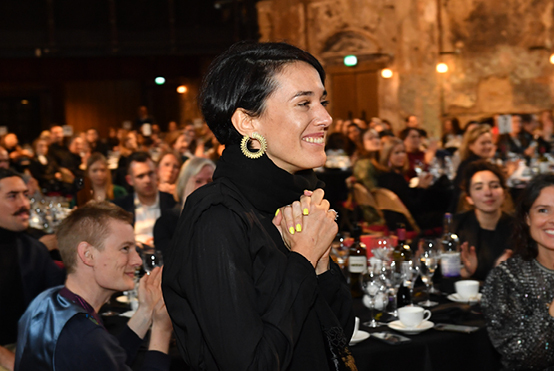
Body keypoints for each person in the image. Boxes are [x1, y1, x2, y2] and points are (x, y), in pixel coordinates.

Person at [162, 41, 356, 371]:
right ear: (247, 122)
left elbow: (337, 337)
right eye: (303, 103)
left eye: (322, 101)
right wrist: (304, 258)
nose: (325, 117)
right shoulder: (217, 218)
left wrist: (320, 264)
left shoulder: (298, 199)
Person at [15, 201, 172, 371]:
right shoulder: (85, 336)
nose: (137, 261)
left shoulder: (47, 301)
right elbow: (95, 349)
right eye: (125, 248)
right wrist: (161, 331)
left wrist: (146, 311)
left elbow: (107, 359)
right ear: (87, 255)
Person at [482, 174, 554, 370]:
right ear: (527, 218)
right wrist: (551, 313)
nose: (552, 220)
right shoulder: (506, 278)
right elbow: (523, 358)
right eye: (543, 210)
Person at [0, 169, 65, 370]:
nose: (24, 204)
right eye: (12, 196)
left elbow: (60, 302)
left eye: (25, 195)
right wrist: (9, 360)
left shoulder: (33, 249)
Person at [452, 160, 514, 281]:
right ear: (469, 198)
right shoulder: (457, 226)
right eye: (478, 188)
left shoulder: (518, 227)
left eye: (495, 186)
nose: (488, 193)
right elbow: (443, 278)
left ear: (504, 193)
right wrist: (466, 272)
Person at [153, 156, 215, 254]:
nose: (205, 187)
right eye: (198, 181)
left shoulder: (223, 217)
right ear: (185, 183)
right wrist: (189, 210)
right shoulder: (166, 222)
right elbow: (174, 259)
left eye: (210, 181)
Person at [112, 151, 176, 245]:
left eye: (150, 174)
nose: (147, 180)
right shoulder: (119, 208)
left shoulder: (173, 203)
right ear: (130, 180)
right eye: (140, 176)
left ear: (157, 173)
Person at [450, 124, 494, 213]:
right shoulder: (474, 166)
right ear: (471, 146)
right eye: (483, 143)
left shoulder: (470, 162)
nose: (488, 146)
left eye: (489, 142)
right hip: (469, 212)